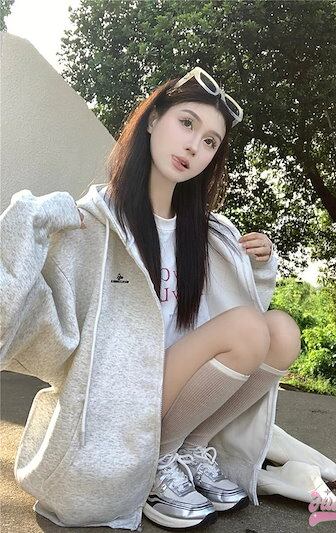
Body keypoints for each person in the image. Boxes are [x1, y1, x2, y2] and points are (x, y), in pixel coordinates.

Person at [0, 66, 304, 531]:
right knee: (247, 329)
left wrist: (258, 265)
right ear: (153, 119)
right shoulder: (94, 223)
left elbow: (233, 306)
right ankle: (157, 461)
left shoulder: (205, 232)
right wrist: (33, 222)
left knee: (282, 331)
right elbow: (40, 328)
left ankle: (186, 451)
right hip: (120, 394)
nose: (194, 147)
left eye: (210, 142)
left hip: (180, 385)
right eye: (187, 123)